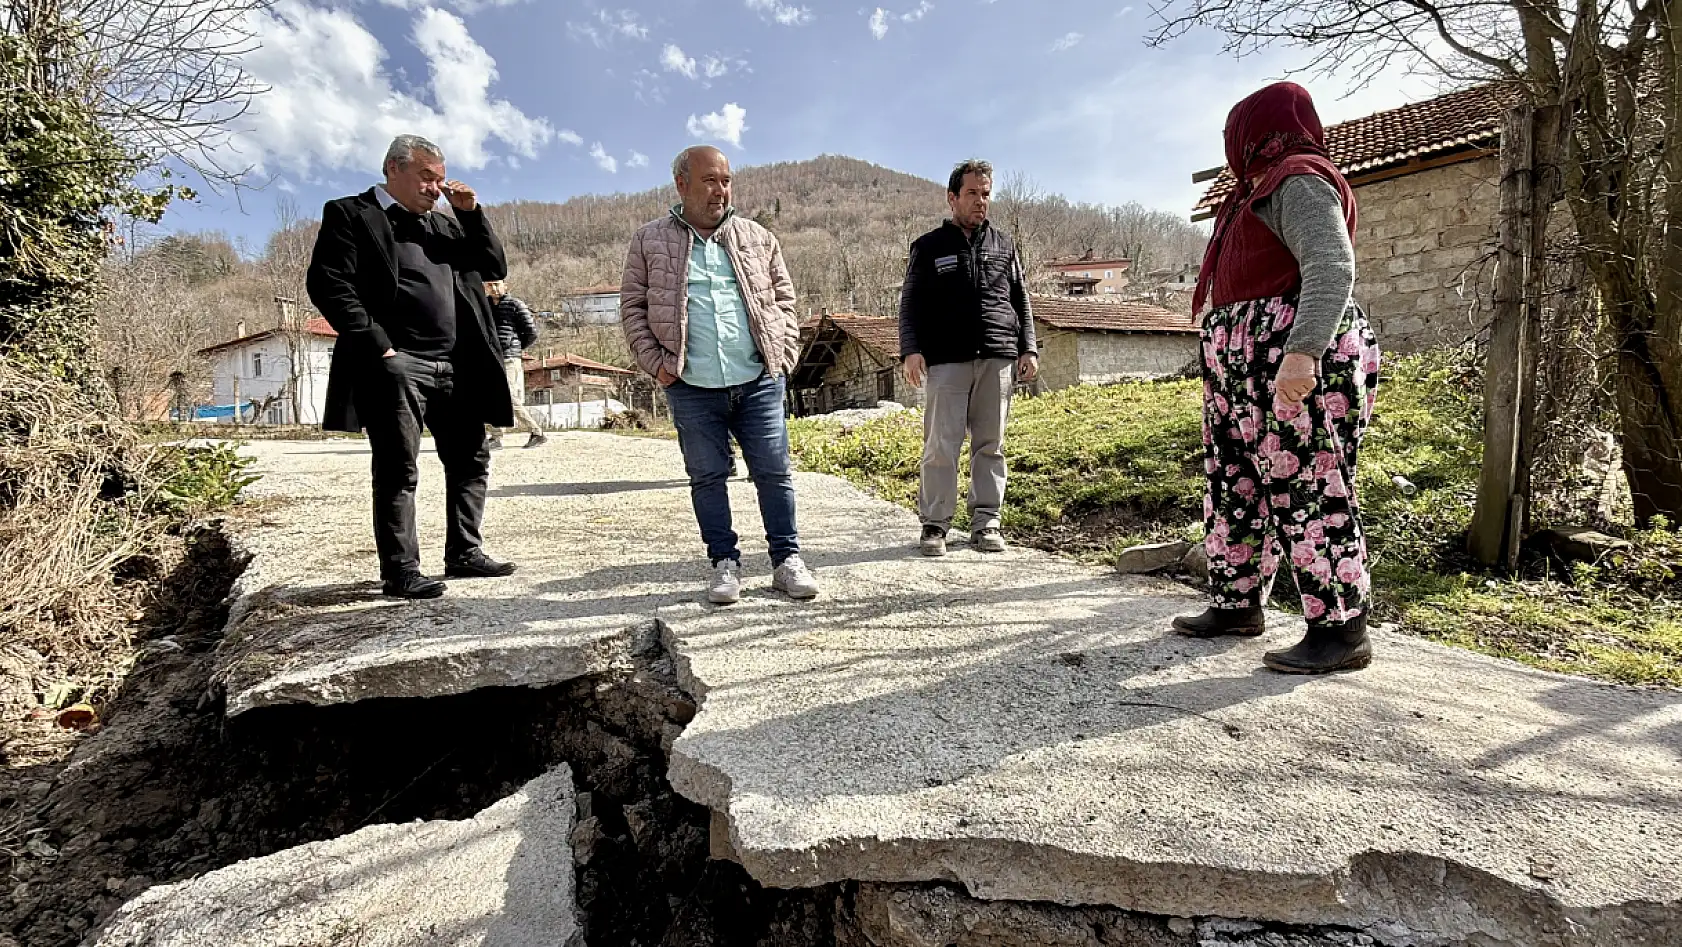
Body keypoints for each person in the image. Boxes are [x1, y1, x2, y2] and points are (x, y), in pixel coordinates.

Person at [1171, 82, 1381, 675]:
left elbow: (1331, 263)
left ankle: (1341, 630)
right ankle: (1237, 603)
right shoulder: (1251, 192)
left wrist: (1303, 353)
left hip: (1289, 355)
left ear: (1256, 130)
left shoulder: (1299, 176)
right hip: (1242, 361)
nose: (1229, 145)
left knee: (1307, 483)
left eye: (1234, 131)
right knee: (1233, 482)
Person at [306, 134, 518, 600]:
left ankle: (464, 552)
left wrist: (469, 212)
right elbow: (328, 282)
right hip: (398, 364)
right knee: (399, 467)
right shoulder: (350, 214)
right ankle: (401, 569)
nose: (435, 188)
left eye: (439, 179)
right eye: (426, 177)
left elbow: (492, 265)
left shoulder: (443, 225)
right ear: (393, 169)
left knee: (470, 460)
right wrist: (377, 344)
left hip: (457, 363)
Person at [619, 145, 819, 605]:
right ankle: (724, 563)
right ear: (682, 184)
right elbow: (632, 308)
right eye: (710, 180)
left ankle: (786, 561)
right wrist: (658, 365)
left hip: (758, 380)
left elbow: (785, 300)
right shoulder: (649, 240)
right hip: (691, 386)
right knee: (707, 476)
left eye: (726, 180)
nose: (721, 190)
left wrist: (783, 355)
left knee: (773, 472)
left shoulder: (757, 237)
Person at [897, 159, 1038, 558]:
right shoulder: (928, 247)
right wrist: (911, 350)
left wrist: (1028, 347)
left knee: (990, 444)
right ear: (952, 197)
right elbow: (910, 304)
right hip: (946, 360)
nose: (981, 202)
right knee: (942, 443)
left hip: (997, 356)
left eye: (986, 194)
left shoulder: (1004, 244)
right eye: (973, 193)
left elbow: (1020, 299)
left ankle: (986, 522)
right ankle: (935, 525)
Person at [484, 280, 548, 450]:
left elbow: (531, 332)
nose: (494, 288)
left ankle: (537, 432)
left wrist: (515, 347)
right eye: (490, 285)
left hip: (509, 358)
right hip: (491, 358)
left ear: (506, 285)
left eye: (497, 284)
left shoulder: (515, 305)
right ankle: (496, 436)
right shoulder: (484, 305)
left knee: (510, 398)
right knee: (490, 398)